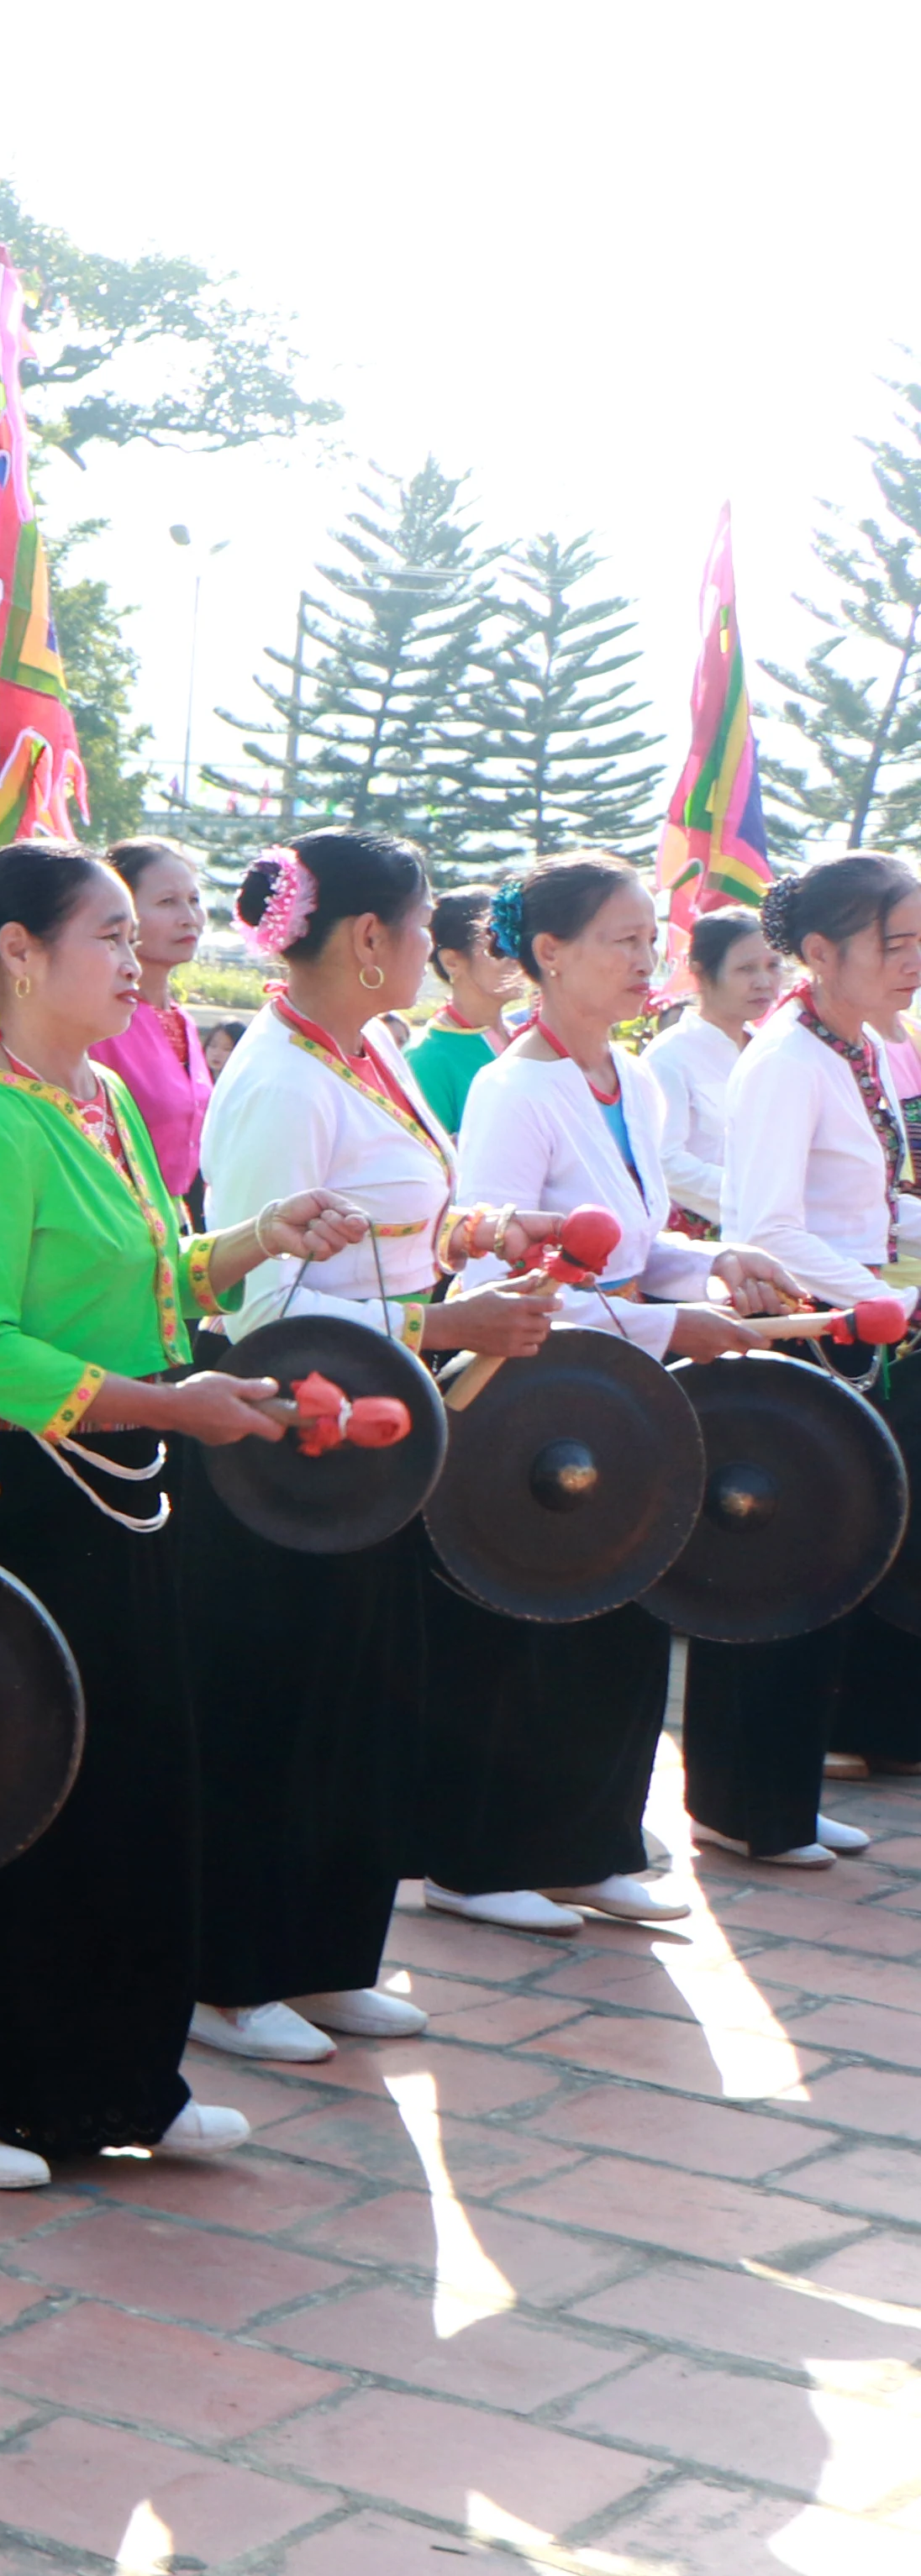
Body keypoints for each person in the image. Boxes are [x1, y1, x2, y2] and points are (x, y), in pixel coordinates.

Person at [0, 839, 359, 2191]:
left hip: (139, 1482)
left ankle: (116, 2082)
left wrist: (258, 1239)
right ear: (19, 955)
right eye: (108, 933)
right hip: (39, 1495)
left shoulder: (100, 1102)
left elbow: (152, 1278)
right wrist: (169, 1406)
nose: (136, 958)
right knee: (8, 1789)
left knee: (136, 1788)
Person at [186, 828, 570, 2060]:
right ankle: (231, 1977)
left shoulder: (368, 1050)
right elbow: (262, 1312)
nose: (433, 944)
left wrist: (483, 1235)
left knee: (362, 1698)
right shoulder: (280, 1082)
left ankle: (327, 1958)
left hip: (383, 1436)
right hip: (293, 1446)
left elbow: (399, 1227)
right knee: (279, 1703)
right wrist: (442, 1322)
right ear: (366, 938)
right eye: (418, 924)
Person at [415, 854, 792, 1933]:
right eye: (624, 940)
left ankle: (587, 1848)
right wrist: (672, 1323)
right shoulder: (512, 1088)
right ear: (548, 953)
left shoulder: (636, 1076)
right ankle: (476, 1863)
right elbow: (492, 1279)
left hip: (618, 1391)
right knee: (522, 1635)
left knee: (617, 1625)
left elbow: (635, 1247)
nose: (647, 958)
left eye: (649, 938)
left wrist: (714, 1261)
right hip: (528, 1400)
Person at [690, 851, 921, 1864]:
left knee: (827, 1576)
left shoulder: (850, 1048)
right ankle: (744, 1805)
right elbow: (769, 1229)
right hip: (802, 1342)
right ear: (821, 952)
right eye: (896, 943)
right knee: (776, 1573)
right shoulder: (788, 1059)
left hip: (848, 1335)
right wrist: (889, 1299)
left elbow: (867, 1208)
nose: (914, 962)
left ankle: (781, 1795)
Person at [93, 838, 221, 1211]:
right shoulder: (100, 1022)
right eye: (167, 902)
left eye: (194, 900)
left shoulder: (183, 1021)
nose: (189, 917)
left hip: (174, 1221)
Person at [642, 908, 780, 1233]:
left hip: (781, 1226)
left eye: (773, 966)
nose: (763, 982)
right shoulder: (668, 1057)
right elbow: (665, 1162)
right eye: (746, 969)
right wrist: (754, 1196)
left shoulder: (774, 1051)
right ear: (701, 972)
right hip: (704, 1240)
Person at [406, 884, 518, 1133]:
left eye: (517, 941)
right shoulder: (426, 1058)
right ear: (452, 962)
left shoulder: (527, 1040)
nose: (515, 958)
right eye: (499, 946)